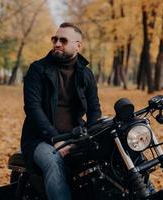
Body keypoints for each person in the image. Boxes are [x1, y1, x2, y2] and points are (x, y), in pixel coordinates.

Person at [20, 22, 101, 200]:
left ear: (77, 46)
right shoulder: (38, 69)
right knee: (53, 161)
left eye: (63, 40)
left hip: (76, 135)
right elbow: (33, 109)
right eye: (55, 39)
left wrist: (91, 135)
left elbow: (95, 110)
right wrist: (55, 140)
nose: (57, 43)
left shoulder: (86, 74)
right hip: (40, 139)